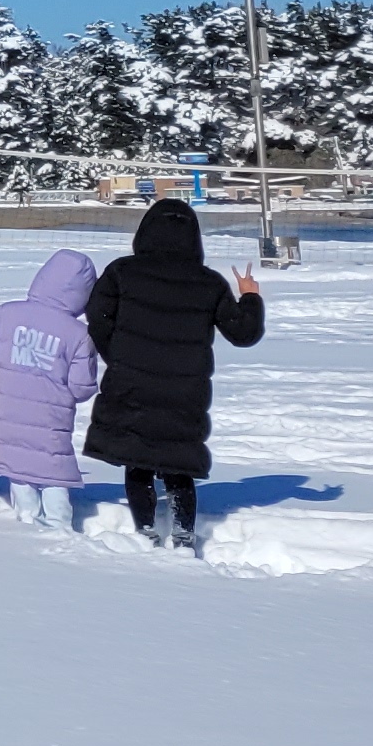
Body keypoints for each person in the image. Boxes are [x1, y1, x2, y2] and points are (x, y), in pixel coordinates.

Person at [84, 198, 266, 550]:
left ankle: (146, 530)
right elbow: (243, 334)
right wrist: (251, 297)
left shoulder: (123, 271)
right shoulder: (209, 283)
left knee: (137, 459)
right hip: (184, 391)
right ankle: (183, 533)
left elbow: (98, 319)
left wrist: (119, 358)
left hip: (131, 383)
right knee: (177, 460)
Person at [0, 249, 101, 531]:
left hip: (5, 409)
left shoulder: (6, 313)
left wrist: (1, 377)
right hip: (51, 416)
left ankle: (27, 517)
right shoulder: (79, 334)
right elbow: (81, 387)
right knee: (52, 467)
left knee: (18, 464)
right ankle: (58, 522)